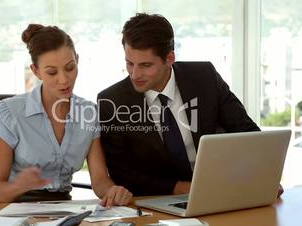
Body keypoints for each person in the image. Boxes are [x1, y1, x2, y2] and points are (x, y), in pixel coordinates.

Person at [97, 13, 283, 196]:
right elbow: (122, 173)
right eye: (129, 63)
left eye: (145, 65)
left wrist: (264, 176)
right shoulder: (112, 102)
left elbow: (245, 130)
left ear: (170, 59)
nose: (135, 74)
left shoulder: (205, 77)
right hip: (156, 200)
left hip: (219, 190)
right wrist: (178, 188)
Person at [0, 24, 132, 206]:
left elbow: (100, 180)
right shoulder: (10, 112)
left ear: (77, 60)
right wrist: (20, 185)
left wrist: (113, 191)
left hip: (65, 209)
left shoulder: (89, 113)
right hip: (18, 210)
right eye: (52, 72)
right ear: (36, 71)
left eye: (70, 68)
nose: (64, 80)